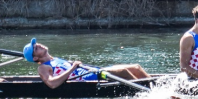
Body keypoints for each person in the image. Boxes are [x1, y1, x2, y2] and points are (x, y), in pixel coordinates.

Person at [22, 38, 150, 89]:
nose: (38, 45)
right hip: (88, 78)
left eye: (36, 44)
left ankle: (155, 86)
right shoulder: (43, 67)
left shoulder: (55, 59)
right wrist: (72, 67)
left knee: (136, 67)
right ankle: (147, 92)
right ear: (35, 58)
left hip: (93, 71)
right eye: (35, 48)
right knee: (123, 72)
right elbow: (52, 84)